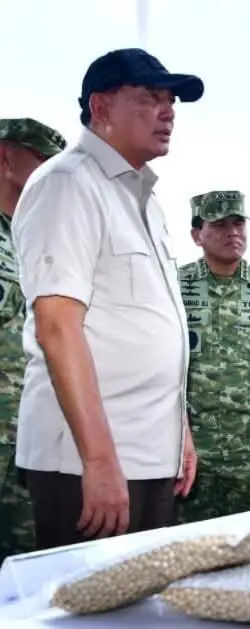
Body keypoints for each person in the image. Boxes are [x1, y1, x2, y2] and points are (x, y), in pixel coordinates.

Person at [12, 48, 200, 549]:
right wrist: (96, 461)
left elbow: (151, 328)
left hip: (147, 452)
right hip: (88, 461)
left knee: (143, 611)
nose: (168, 111)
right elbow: (57, 327)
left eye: (171, 101)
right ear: (101, 107)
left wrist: (178, 430)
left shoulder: (146, 202)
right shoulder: (68, 183)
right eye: (149, 98)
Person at [178, 191, 250, 522]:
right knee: (188, 550)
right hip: (189, 450)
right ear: (196, 235)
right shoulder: (173, 286)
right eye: (220, 224)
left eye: (238, 222)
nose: (232, 232)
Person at [0, 118, 67, 560]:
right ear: (6, 157)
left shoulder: (41, 237)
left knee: (27, 563)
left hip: (31, 436)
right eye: (43, 161)